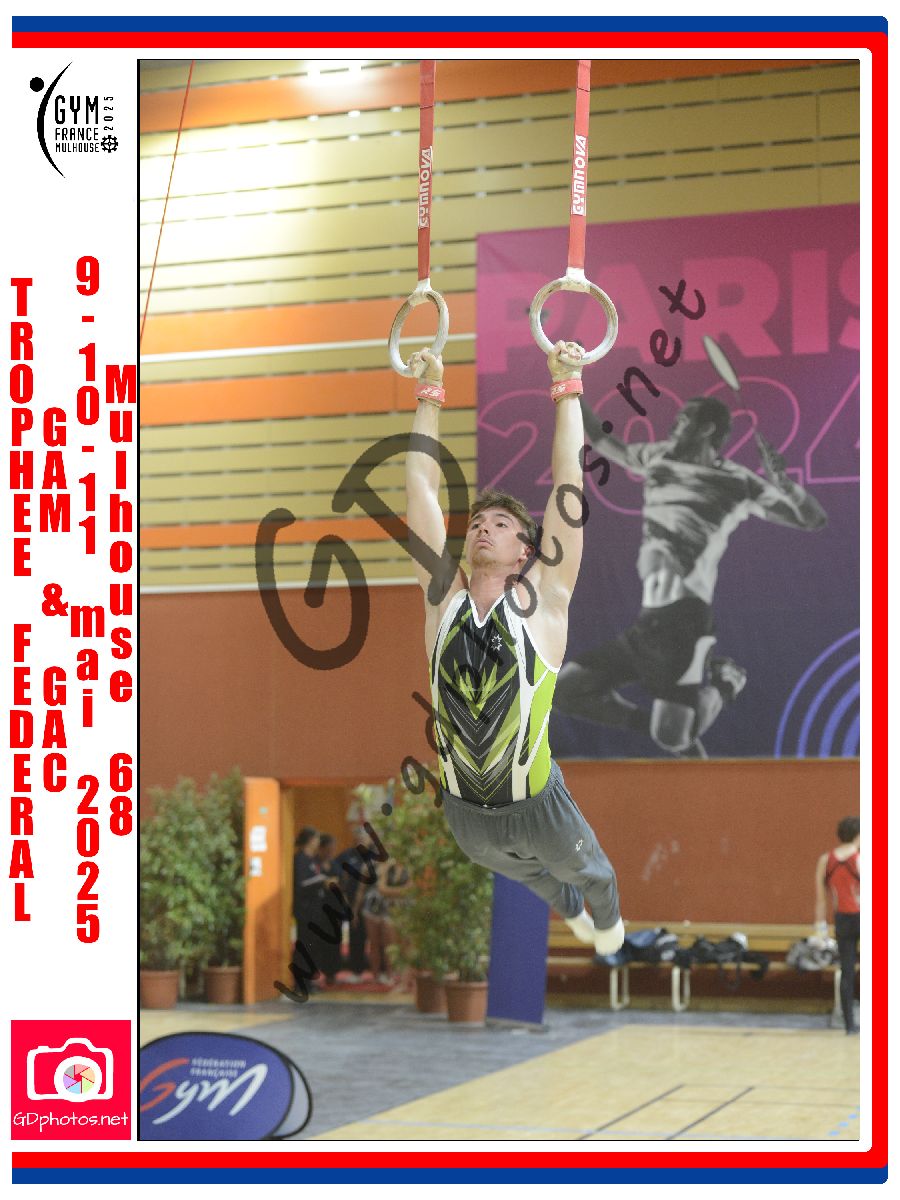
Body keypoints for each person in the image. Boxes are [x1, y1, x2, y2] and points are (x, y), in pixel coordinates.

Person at [403, 340, 623, 956]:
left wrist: (568, 385)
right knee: (531, 878)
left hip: (539, 808)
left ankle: (606, 922)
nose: (482, 528)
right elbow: (419, 485)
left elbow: (569, 484)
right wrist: (429, 393)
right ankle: (569, 910)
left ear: (526, 550)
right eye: (476, 523)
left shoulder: (544, 603)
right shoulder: (442, 600)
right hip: (464, 815)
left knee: (590, 875)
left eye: (499, 525)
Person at [555, 396, 828, 757]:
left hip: (684, 620)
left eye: (684, 419)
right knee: (566, 692)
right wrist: (570, 387)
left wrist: (785, 484)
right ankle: (660, 729)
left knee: (672, 738)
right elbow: (601, 439)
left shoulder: (738, 482)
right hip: (647, 622)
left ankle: (725, 683)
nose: (674, 424)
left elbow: (813, 519)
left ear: (706, 428)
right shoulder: (658, 456)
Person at [815, 816, 860, 1034]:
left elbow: (821, 899)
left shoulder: (826, 860)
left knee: (847, 971)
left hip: (841, 918)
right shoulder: (861, 859)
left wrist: (820, 928)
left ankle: (849, 1025)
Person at [292, 827, 326, 991]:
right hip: (305, 910)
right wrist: (318, 881)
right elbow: (301, 884)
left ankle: (310, 979)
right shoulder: (300, 859)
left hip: (315, 910)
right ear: (310, 840)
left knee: (313, 946)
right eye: (317, 839)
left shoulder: (313, 859)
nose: (318, 842)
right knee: (304, 946)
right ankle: (301, 982)